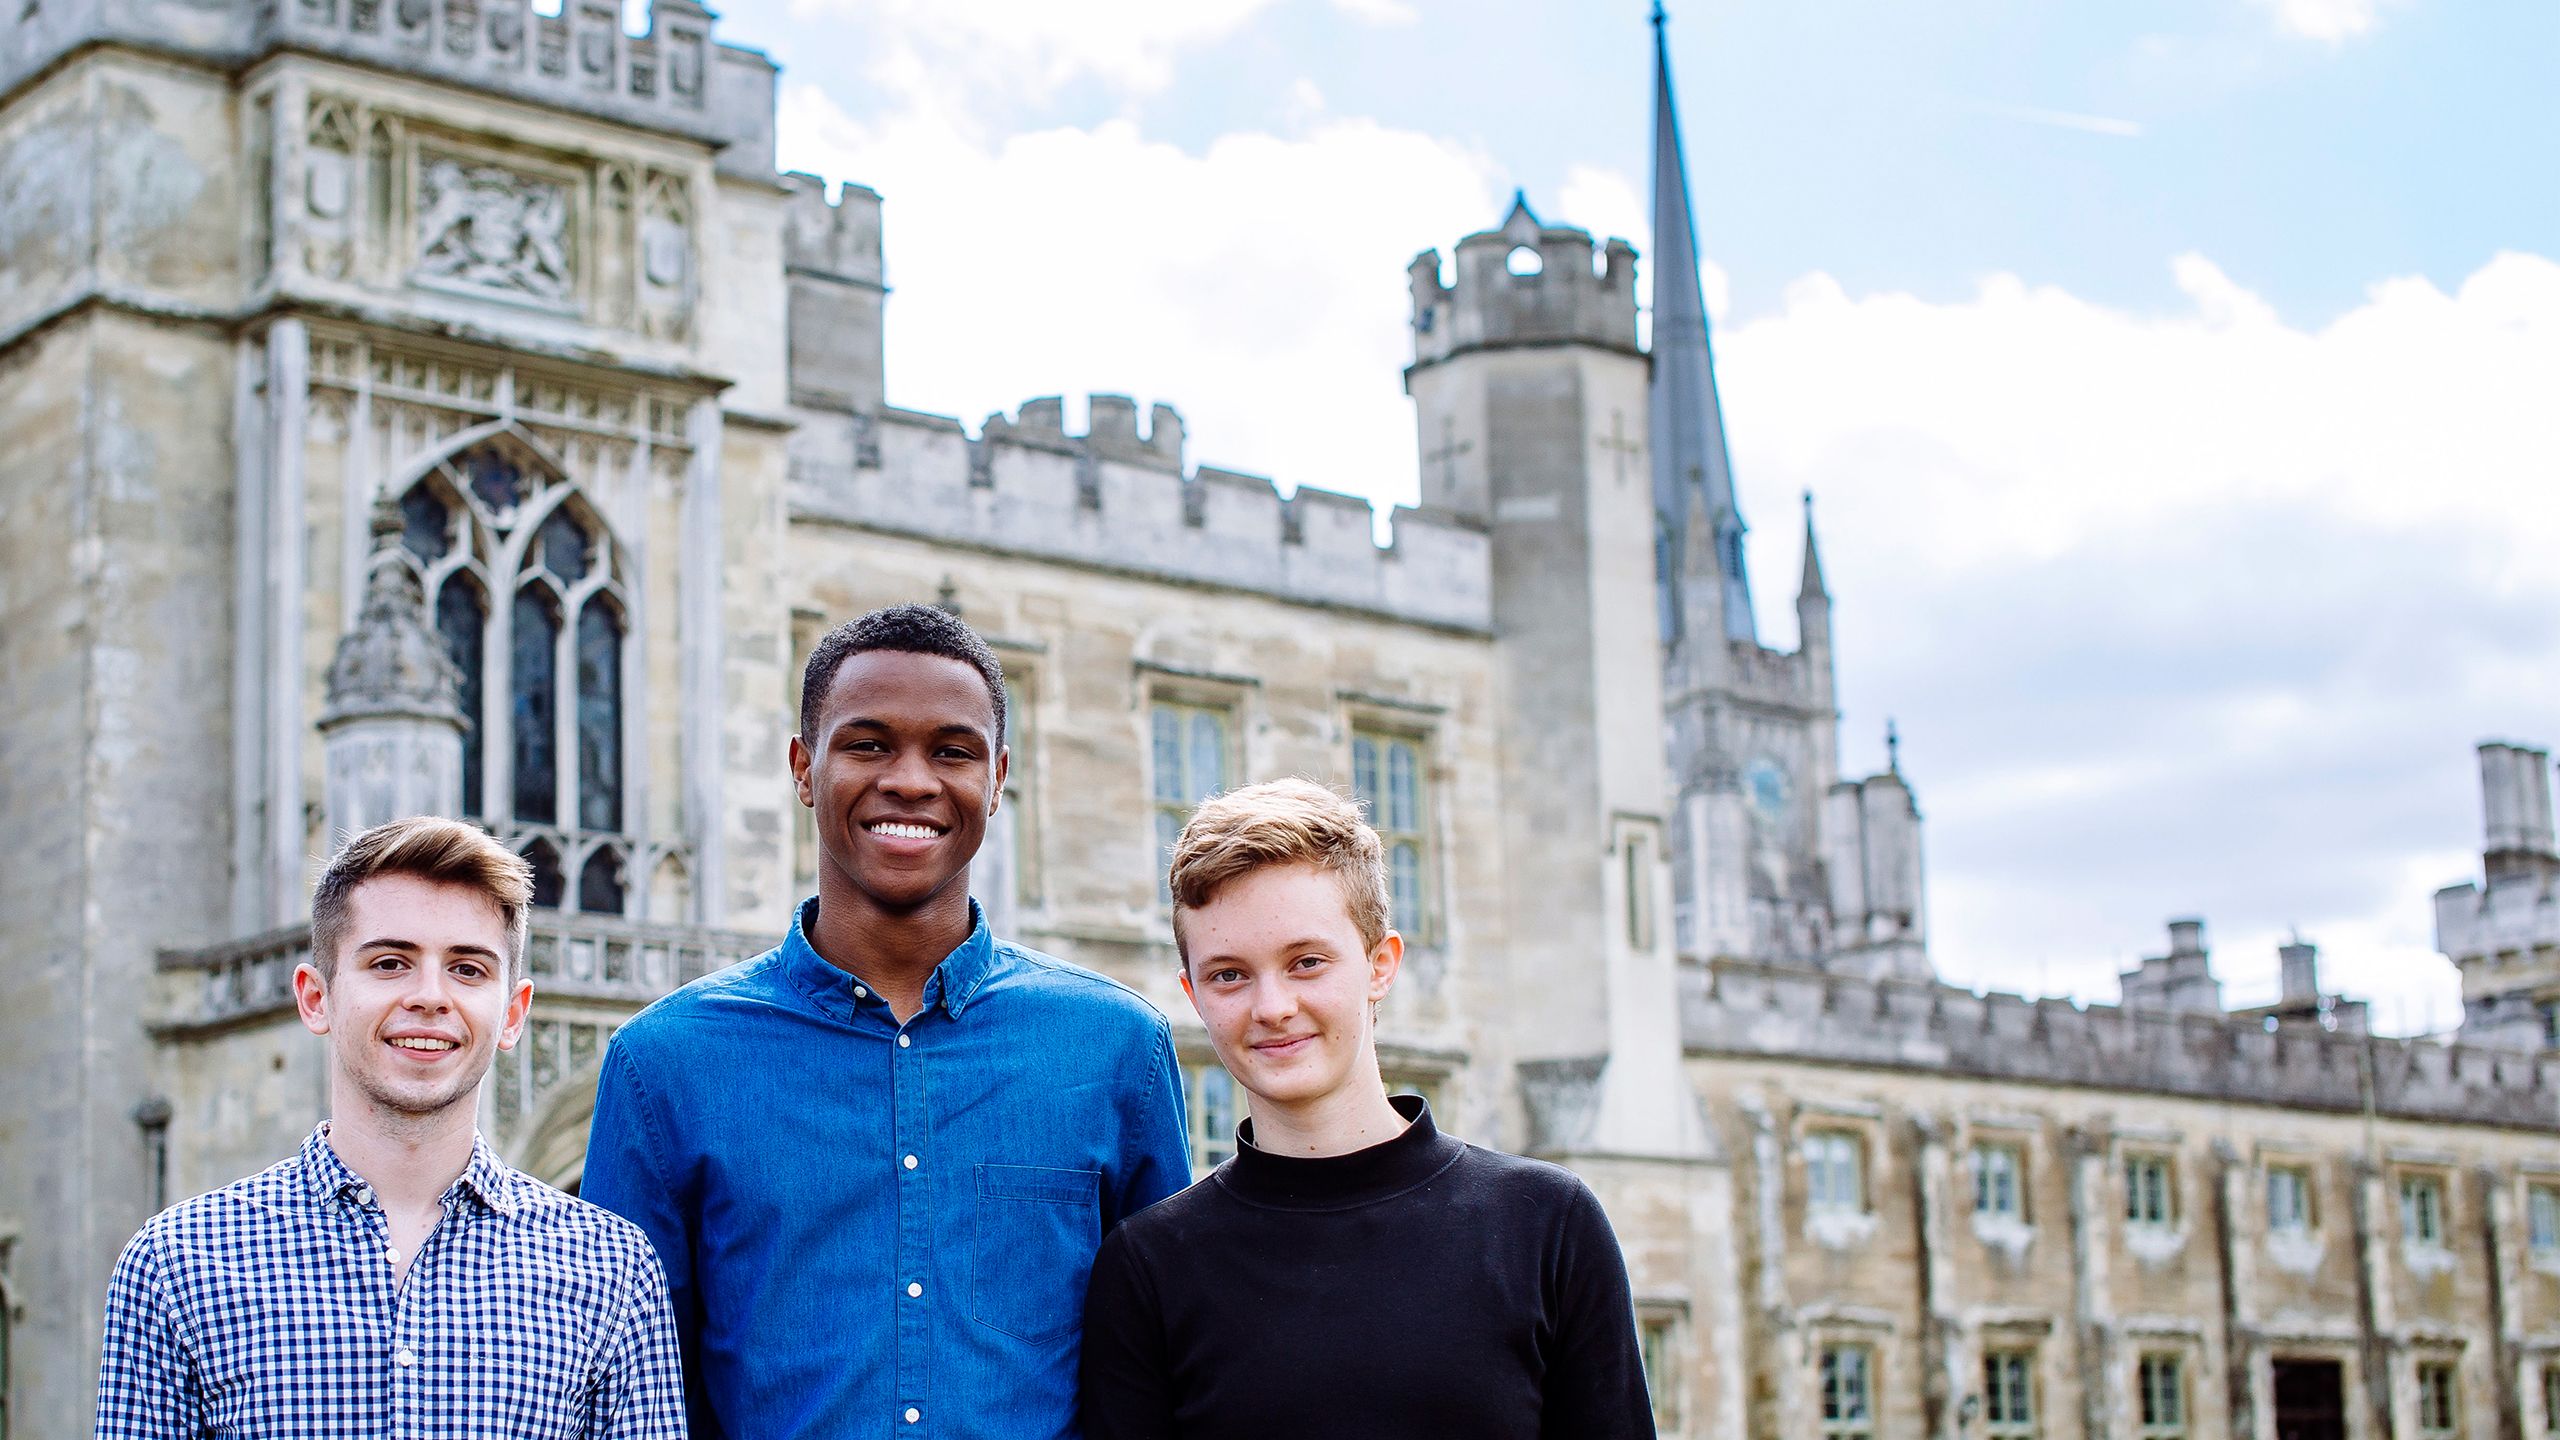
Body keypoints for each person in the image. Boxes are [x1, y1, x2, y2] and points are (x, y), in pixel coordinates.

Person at [583, 602, 1191, 1439]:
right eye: (868, 744)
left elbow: (1157, 1376)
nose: (911, 779)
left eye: (952, 751)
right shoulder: (664, 1066)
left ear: (999, 778)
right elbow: (635, 1398)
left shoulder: (1117, 1048)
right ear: (803, 768)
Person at [1080, 778, 1659, 1440]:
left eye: (1306, 962)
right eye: (1229, 975)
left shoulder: (1546, 1225)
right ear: (1193, 992)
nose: (1271, 1007)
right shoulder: (1149, 1267)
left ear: (1380, 964)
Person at [94, 817, 685, 1439]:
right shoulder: (176, 1266)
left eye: (468, 969)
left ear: (512, 1014)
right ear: (315, 997)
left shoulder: (612, 1270)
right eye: (390, 963)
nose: (430, 996)